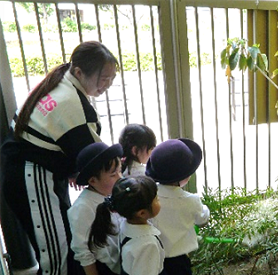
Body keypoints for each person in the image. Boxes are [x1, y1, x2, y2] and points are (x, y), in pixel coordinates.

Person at [0, 41, 118, 275]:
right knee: (57, 258)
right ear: (79, 72)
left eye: (112, 78)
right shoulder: (71, 104)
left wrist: (76, 171)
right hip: (33, 180)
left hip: (32, 173)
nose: (108, 85)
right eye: (103, 78)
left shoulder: (62, 78)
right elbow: (97, 160)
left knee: (62, 245)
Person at [145, 138, 210, 275]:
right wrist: (205, 209)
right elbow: (203, 219)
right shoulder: (191, 201)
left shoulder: (148, 195)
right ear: (185, 176)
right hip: (179, 260)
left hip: (153, 258)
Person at [88, 176, 165, 275]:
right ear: (142, 213)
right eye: (156, 199)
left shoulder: (126, 224)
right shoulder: (148, 244)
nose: (159, 200)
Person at [67, 142, 124, 275]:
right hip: (100, 266)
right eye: (113, 174)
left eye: (120, 171)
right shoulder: (83, 207)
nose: (120, 177)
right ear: (92, 181)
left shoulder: (112, 195)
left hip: (117, 260)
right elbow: (82, 249)